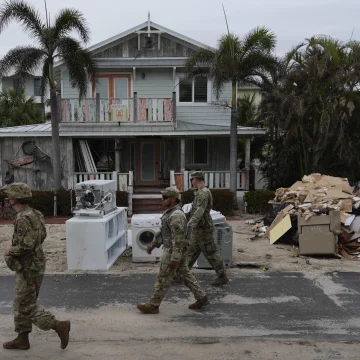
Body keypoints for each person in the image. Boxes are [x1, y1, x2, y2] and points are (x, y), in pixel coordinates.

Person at [1, 183, 71, 351]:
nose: (7, 198)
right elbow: (42, 237)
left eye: (9, 195)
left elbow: (27, 245)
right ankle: (22, 339)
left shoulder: (23, 217)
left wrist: (10, 250)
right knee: (21, 303)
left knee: (26, 306)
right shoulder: (35, 213)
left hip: (28, 266)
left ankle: (58, 325)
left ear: (15, 198)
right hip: (34, 263)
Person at [137, 187, 209, 314]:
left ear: (173, 199)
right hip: (175, 250)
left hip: (173, 251)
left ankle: (153, 305)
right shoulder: (170, 213)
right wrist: (153, 244)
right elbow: (164, 232)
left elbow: (178, 239)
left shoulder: (176, 215)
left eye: (165, 198)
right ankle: (201, 297)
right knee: (185, 275)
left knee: (163, 277)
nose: (162, 200)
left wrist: (175, 258)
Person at [185, 171, 229, 286]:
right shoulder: (199, 192)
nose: (191, 182)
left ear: (196, 179)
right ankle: (182, 273)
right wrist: (186, 217)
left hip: (203, 228)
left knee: (211, 253)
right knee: (191, 251)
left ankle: (222, 275)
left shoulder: (203, 193)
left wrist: (190, 223)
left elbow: (200, 211)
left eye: (192, 179)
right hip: (198, 227)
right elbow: (195, 210)